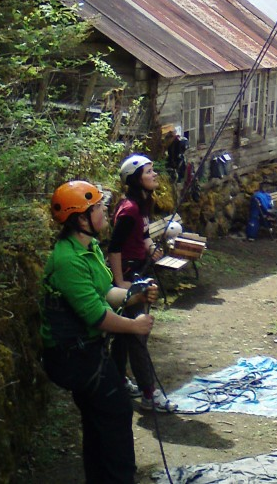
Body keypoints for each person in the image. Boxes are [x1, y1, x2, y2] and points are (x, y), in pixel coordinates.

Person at [40, 180, 158, 484]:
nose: (105, 210)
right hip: (72, 357)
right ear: (81, 219)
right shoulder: (68, 261)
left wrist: (136, 294)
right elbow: (97, 316)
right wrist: (133, 325)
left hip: (85, 350)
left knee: (97, 421)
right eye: (98, 208)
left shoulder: (88, 247)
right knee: (116, 413)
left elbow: (106, 293)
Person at [108, 154, 177, 412]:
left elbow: (144, 235)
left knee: (125, 334)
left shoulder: (143, 204)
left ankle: (117, 380)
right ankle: (149, 393)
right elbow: (114, 248)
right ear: (137, 179)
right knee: (137, 332)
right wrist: (120, 283)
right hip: (128, 274)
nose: (155, 174)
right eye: (149, 171)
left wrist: (149, 250)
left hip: (137, 269)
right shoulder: (129, 210)